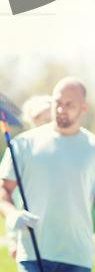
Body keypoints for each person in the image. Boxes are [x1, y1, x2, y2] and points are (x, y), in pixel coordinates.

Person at [0, 77, 95, 272]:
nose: (61, 109)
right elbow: (3, 189)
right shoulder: (23, 143)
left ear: (83, 108)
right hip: (33, 254)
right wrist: (11, 214)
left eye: (70, 104)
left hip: (78, 257)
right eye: (57, 102)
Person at [5, 95, 53, 259]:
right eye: (47, 120)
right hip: (27, 232)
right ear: (34, 119)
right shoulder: (22, 147)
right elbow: (9, 196)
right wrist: (13, 237)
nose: (51, 124)